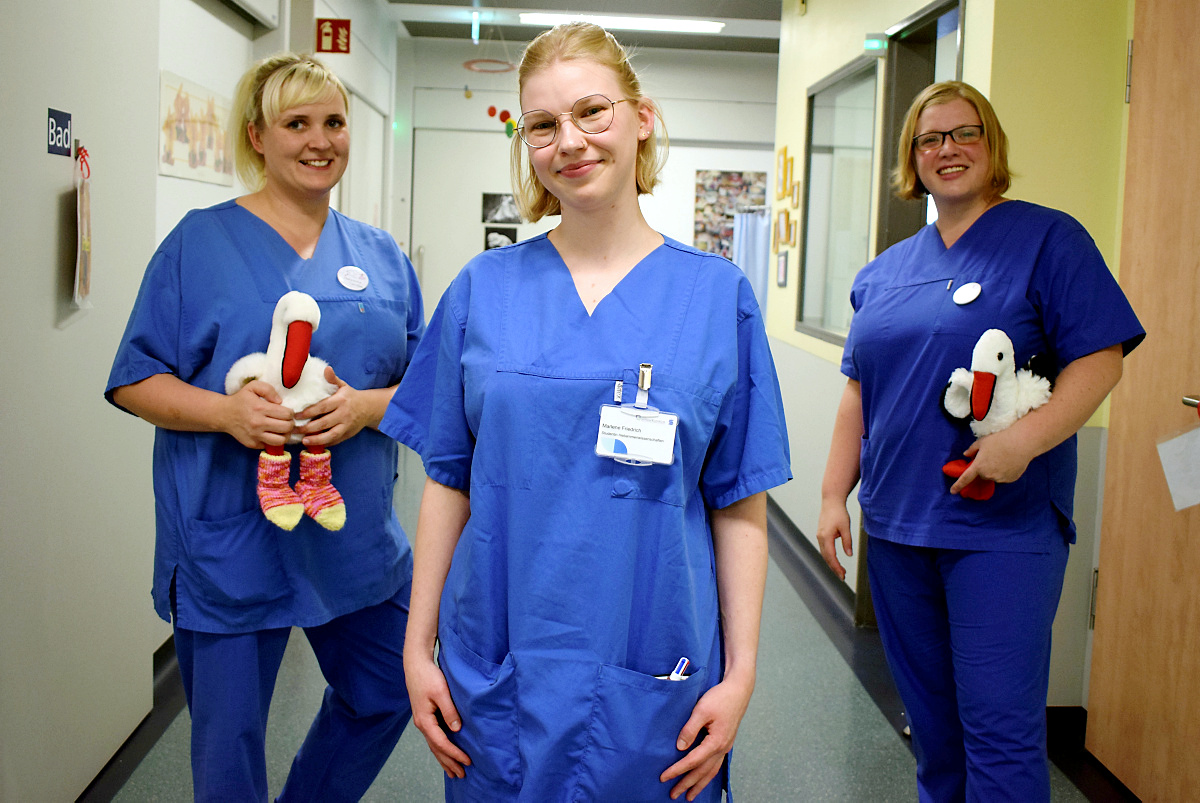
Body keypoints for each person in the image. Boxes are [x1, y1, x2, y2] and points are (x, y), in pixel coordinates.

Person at [381, 22, 791, 803]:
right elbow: (446, 479)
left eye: (592, 112)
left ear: (642, 118)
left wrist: (741, 676)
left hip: (655, 665)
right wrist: (416, 647)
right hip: (500, 660)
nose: (569, 140)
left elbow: (739, 502)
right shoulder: (481, 289)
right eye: (543, 124)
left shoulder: (715, 298)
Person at [105, 53, 424, 801]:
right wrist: (225, 411)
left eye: (334, 122)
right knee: (230, 744)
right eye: (297, 123)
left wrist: (366, 408)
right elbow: (133, 377)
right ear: (257, 135)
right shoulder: (198, 244)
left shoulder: (380, 258)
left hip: (353, 536)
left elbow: (429, 382)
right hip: (233, 539)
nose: (321, 140)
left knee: (389, 687)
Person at [817, 80, 1144, 802]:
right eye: (930, 139)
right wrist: (833, 492)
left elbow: (1102, 357)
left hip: (1001, 530)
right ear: (913, 159)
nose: (947, 149)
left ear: (991, 146)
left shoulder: (1048, 240)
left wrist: (1025, 440)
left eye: (964, 133)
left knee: (998, 730)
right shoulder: (884, 272)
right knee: (934, 730)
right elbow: (858, 390)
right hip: (900, 527)